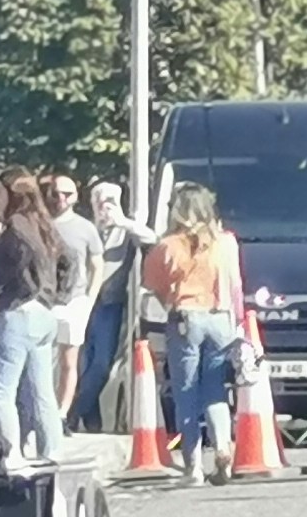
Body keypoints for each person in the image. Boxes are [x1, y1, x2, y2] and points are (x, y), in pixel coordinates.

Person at [142, 182, 248, 480]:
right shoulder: (226, 242)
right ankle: (223, 448)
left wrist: (170, 299)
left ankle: (194, 466)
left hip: (186, 319)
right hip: (221, 319)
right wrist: (239, 324)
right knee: (214, 390)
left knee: (185, 392)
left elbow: (153, 285)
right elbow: (236, 285)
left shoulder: (168, 245)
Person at [0, 173, 69, 468]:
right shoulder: (43, 224)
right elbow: (68, 259)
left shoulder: (16, 226)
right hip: (43, 314)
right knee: (41, 391)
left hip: (20, 312)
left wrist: (14, 289)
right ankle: (51, 451)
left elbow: (22, 256)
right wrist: (54, 293)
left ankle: (10, 454)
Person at [74, 179, 149, 432]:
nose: (105, 208)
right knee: (82, 364)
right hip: (83, 302)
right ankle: (90, 421)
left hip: (109, 304)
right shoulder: (85, 228)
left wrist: (124, 222)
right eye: (100, 202)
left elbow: (153, 239)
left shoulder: (125, 230)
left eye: (111, 202)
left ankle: (72, 414)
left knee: (102, 364)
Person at [44, 175, 105, 427]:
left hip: (75, 301)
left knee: (70, 361)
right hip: (45, 301)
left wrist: (89, 298)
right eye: (56, 193)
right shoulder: (42, 224)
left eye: (67, 194)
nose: (61, 199)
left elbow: (96, 264)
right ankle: (43, 412)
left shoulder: (86, 228)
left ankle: (61, 414)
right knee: (44, 362)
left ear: (76, 196)